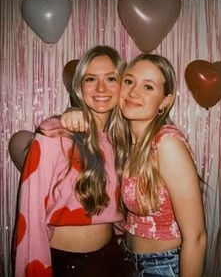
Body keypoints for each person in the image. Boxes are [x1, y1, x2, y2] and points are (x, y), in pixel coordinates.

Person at [60, 53, 207, 277]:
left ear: (165, 100)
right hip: (126, 260)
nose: (134, 92)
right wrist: (73, 111)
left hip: (162, 266)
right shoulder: (123, 142)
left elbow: (196, 237)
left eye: (148, 87)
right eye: (129, 81)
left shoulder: (166, 144)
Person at [13, 45, 126, 277]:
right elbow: (31, 215)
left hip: (113, 259)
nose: (101, 88)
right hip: (67, 266)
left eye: (111, 78)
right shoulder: (53, 133)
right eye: (91, 79)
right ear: (79, 86)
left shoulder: (122, 141)